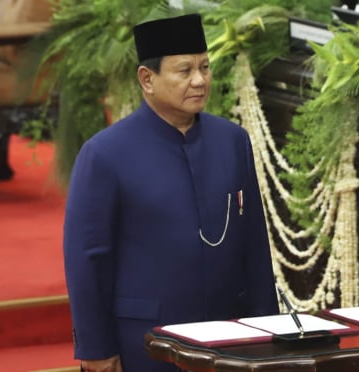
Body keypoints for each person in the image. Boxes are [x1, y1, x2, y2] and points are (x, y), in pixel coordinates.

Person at [63, 13, 279, 372]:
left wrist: (269, 330)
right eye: (184, 71)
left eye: (205, 68)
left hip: (231, 341)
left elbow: (254, 245)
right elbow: (87, 260)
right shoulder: (105, 154)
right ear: (147, 79)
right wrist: (96, 348)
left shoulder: (232, 141)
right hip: (146, 343)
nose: (199, 80)